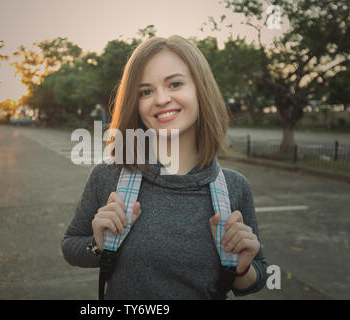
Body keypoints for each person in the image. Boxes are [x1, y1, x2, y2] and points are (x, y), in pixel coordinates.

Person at [61, 35, 268, 299]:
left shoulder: (234, 187)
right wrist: (99, 247)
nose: (160, 99)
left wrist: (240, 269)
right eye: (145, 91)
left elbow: (256, 274)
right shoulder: (108, 176)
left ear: (200, 90)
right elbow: (70, 246)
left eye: (175, 84)